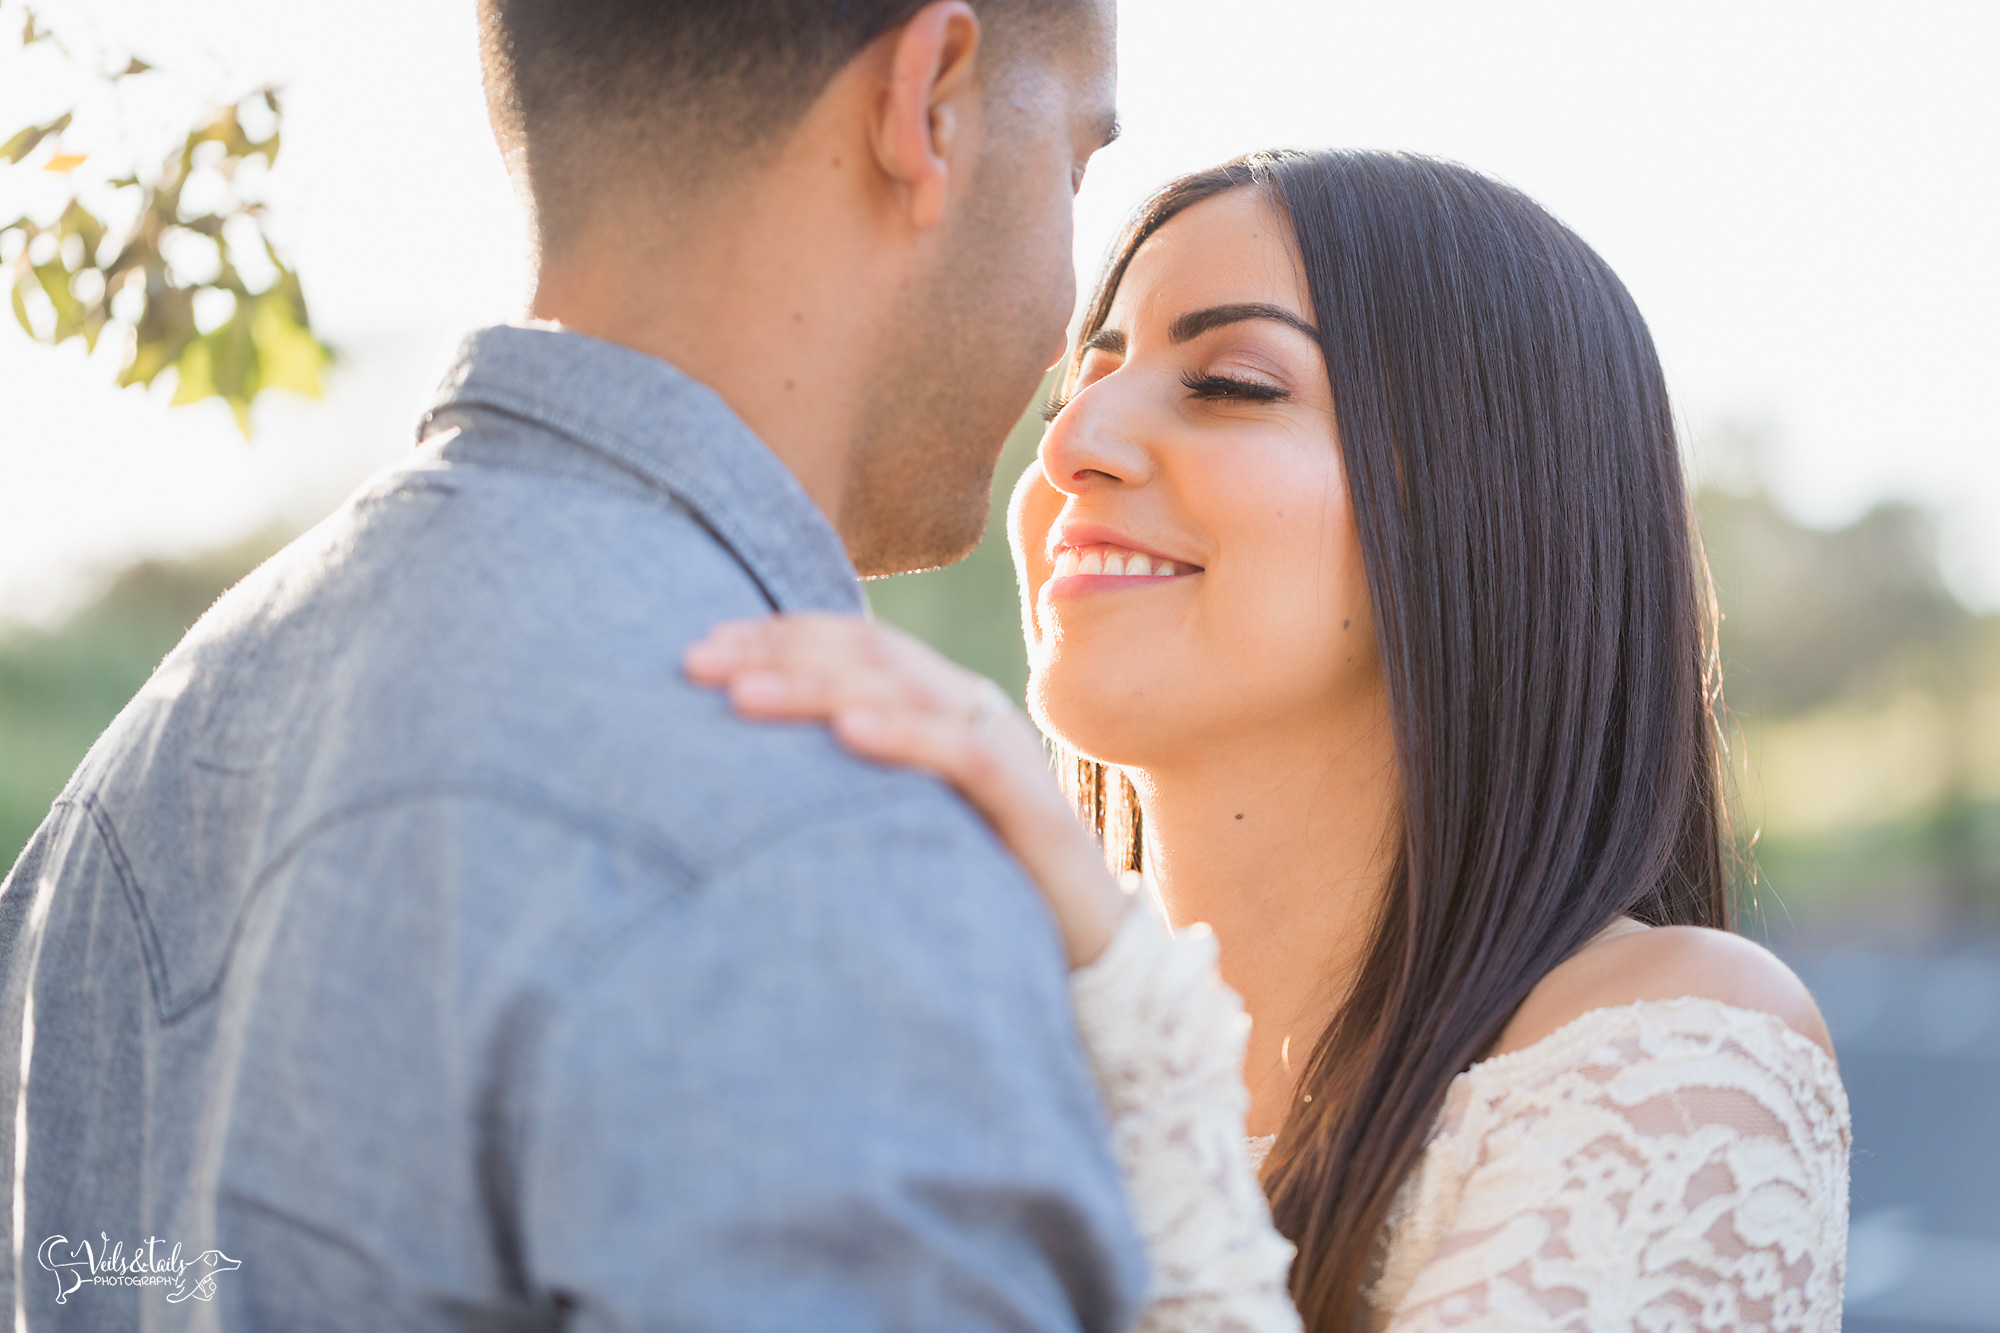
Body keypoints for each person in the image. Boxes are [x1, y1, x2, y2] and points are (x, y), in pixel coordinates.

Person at [0, 2, 1145, 1328]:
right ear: (926, 102)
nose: (1070, 339)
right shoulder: (815, 839)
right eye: (1072, 166)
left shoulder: (126, 783)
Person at [687, 150, 1853, 1331]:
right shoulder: (950, 1031)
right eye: (1070, 394)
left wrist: (1120, 1003)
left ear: (1481, 499)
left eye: (1232, 383)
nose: (1063, 445)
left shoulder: (1675, 1052)